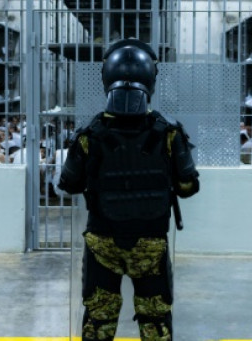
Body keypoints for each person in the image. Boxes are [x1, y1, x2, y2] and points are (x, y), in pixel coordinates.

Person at [58, 38, 200, 341]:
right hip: (151, 243)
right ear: (150, 80)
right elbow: (188, 187)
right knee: (156, 322)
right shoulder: (170, 133)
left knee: (98, 322)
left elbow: (68, 184)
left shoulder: (89, 135)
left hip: (101, 243)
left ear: (106, 78)